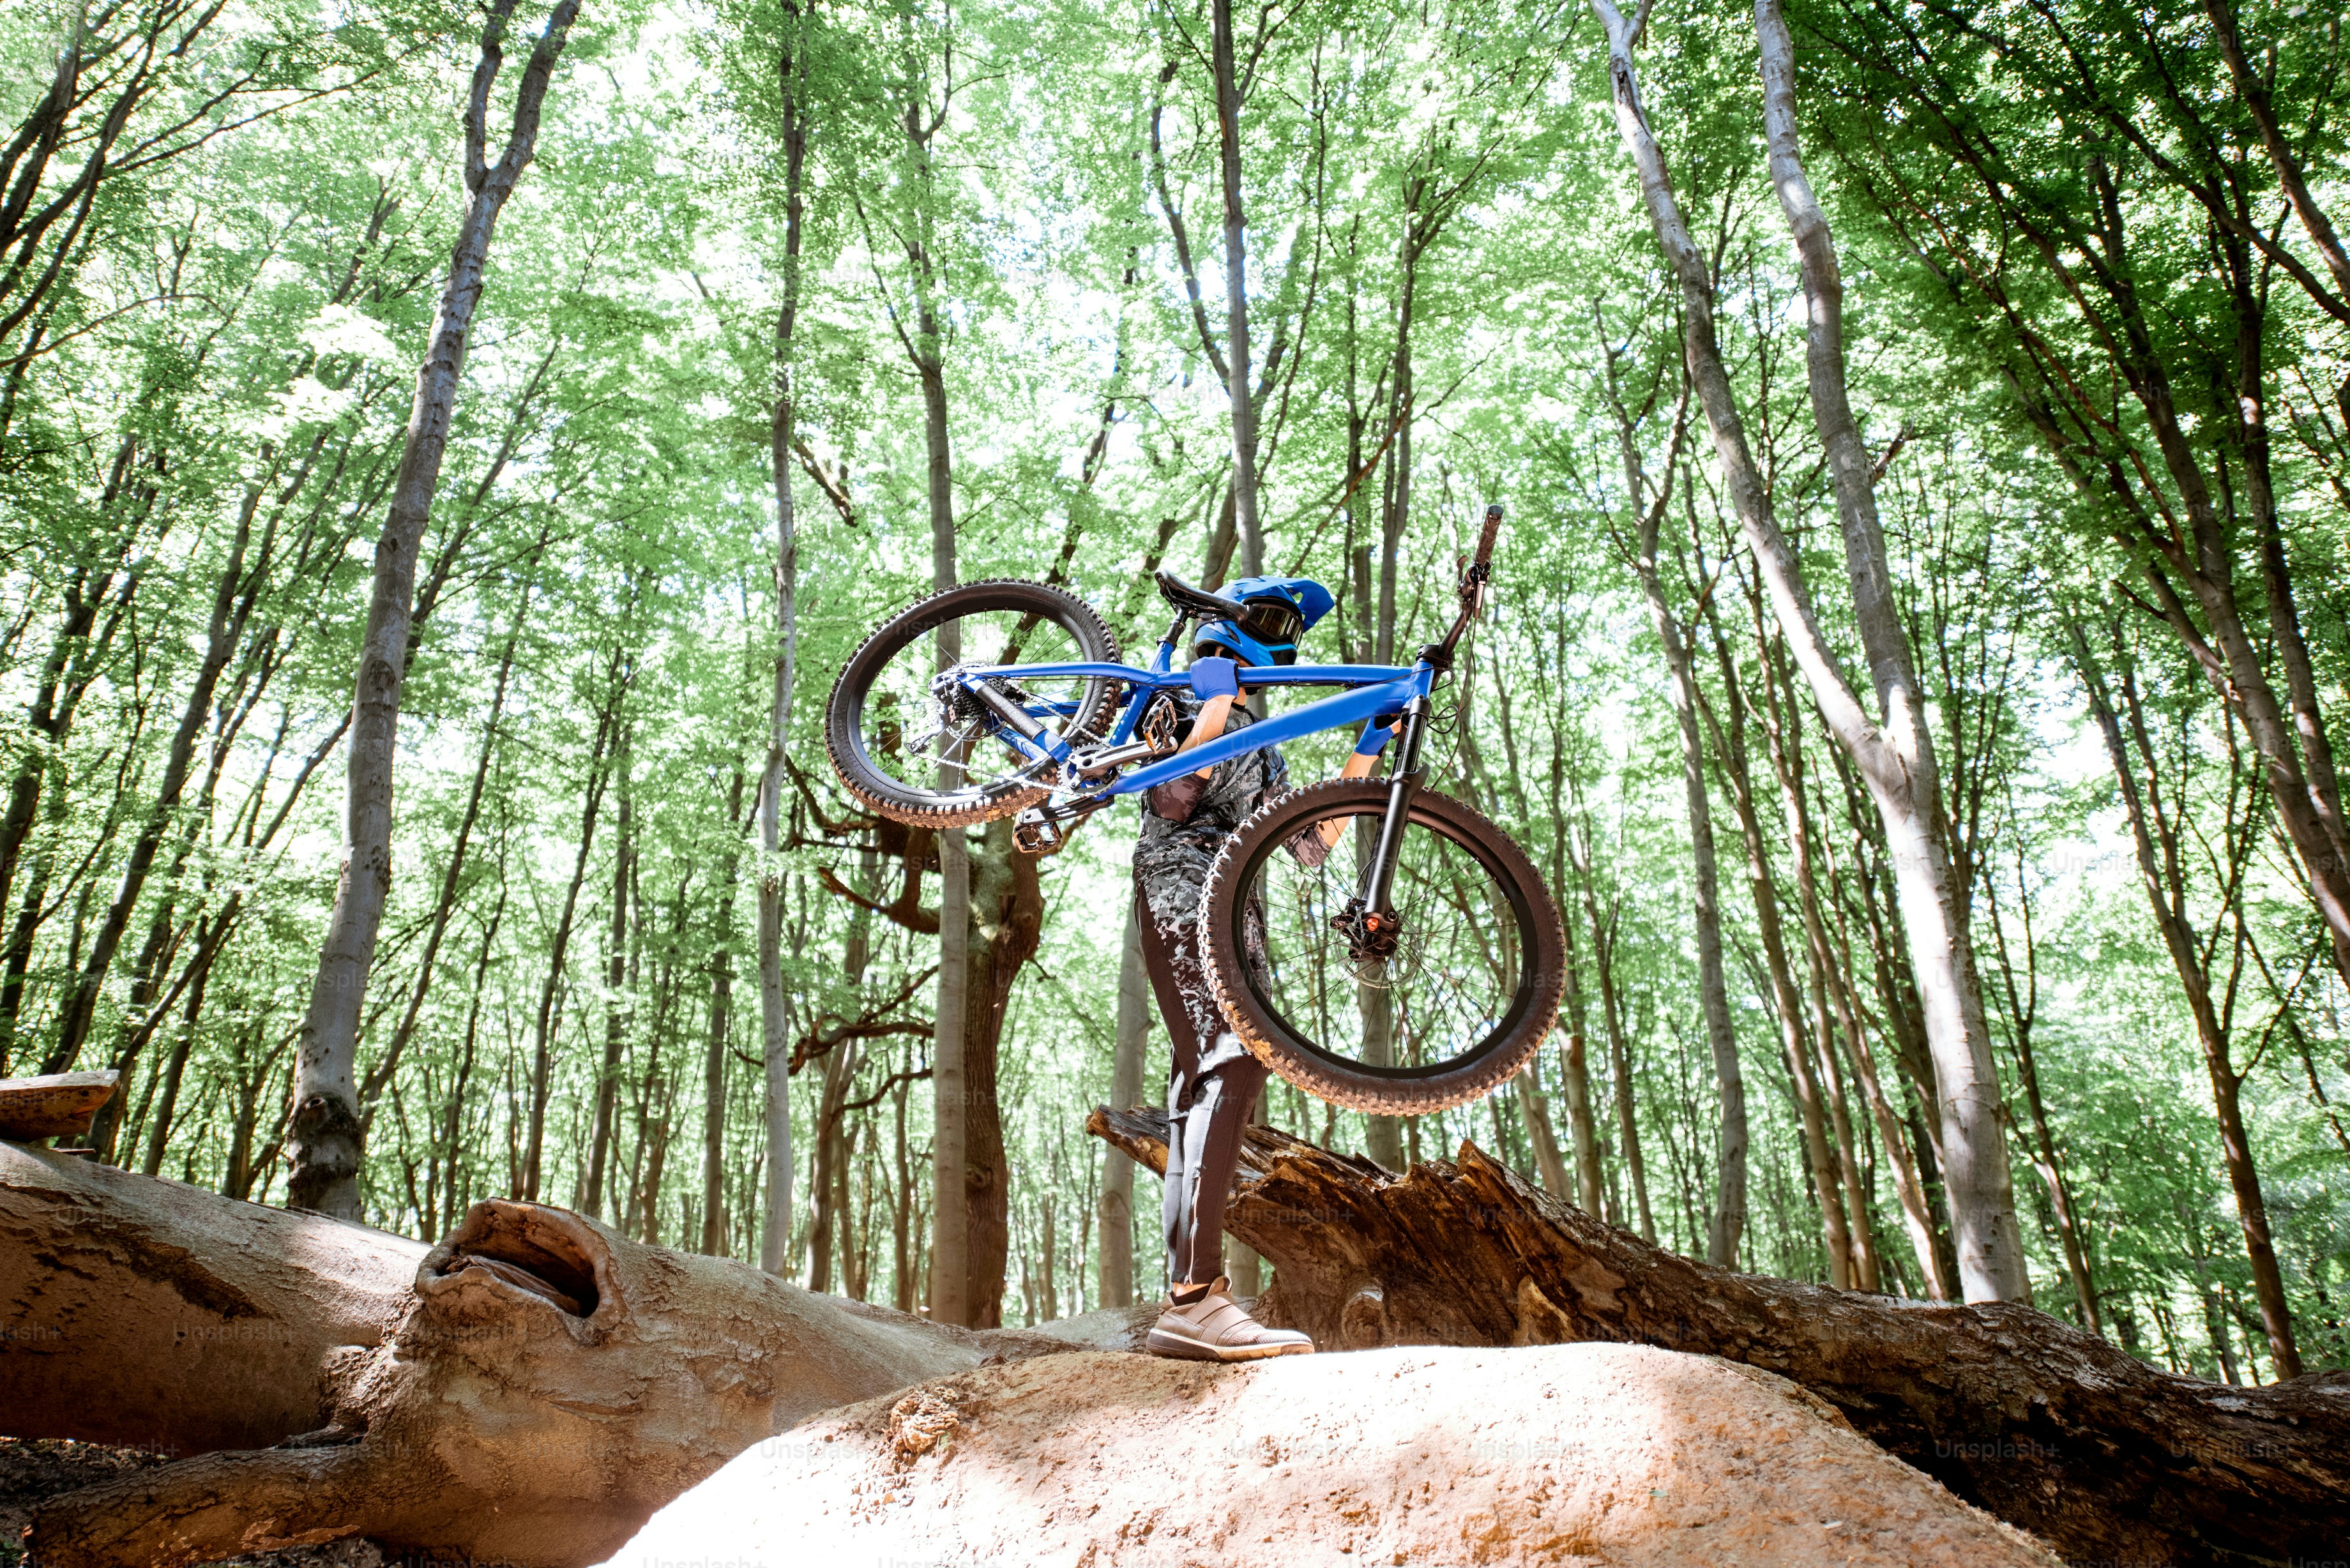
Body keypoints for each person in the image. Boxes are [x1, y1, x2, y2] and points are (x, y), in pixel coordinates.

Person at [1133, 574, 1380, 1361]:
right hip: (1180, 898)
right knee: (1228, 1063)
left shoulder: (1262, 745)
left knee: (1201, 1087)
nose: (1285, 636)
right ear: (1230, 624)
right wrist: (1210, 703)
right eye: (1272, 618)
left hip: (1238, 920)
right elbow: (1171, 797)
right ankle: (1197, 1296)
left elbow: (1313, 845)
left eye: (1289, 625)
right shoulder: (1176, 697)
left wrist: (1367, 745)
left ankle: (1187, 1295)